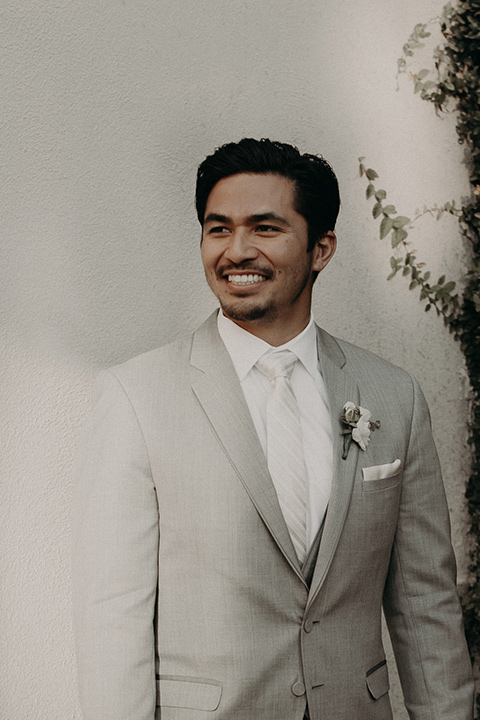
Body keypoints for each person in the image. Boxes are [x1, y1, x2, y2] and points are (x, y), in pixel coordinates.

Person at [72, 138, 474, 720]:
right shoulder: (136, 397)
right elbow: (113, 615)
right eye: (218, 229)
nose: (237, 251)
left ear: (321, 248)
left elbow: (426, 604)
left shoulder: (393, 395)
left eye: (264, 228)